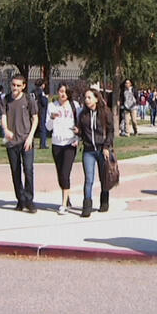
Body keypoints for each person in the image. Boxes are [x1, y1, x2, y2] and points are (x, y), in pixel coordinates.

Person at [74, 88, 115, 217]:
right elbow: (83, 132)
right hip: (88, 150)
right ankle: (87, 206)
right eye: (85, 98)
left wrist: (106, 147)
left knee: (104, 177)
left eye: (89, 97)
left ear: (96, 99)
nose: (87, 100)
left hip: (102, 149)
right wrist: (78, 132)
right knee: (89, 179)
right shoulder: (83, 114)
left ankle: (104, 201)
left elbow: (111, 131)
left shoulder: (105, 112)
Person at [3, 75, 40, 212]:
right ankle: (20, 199)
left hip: (26, 140)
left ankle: (29, 200)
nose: (15, 87)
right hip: (12, 142)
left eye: (18, 85)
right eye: (13, 85)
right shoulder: (6, 99)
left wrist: (30, 137)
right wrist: (6, 130)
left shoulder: (29, 99)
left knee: (28, 170)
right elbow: (3, 116)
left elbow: (35, 119)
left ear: (23, 86)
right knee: (15, 171)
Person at [45, 83, 80, 215]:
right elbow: (48, 127)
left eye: (65, 91)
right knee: (60, 175)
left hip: (70, 144)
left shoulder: (74, 105)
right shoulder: (52, 106)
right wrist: (52, 118)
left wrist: (77, 138)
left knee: (65, 173)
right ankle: (67, 197)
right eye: (61, 91)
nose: (63, 94)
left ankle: (64, 204)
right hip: (56, 143)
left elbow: (79, 124)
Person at [34, 79, 50, 149]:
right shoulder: (41, 92)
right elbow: (44, 102)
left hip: (35, 111)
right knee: (42, 128)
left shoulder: (33, 91)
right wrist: (46, 98)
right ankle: (43, 144)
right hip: (41, 112)